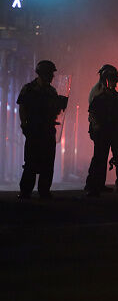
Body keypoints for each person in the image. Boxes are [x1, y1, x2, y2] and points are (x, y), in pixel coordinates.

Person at [17, 60, 68, 199]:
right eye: (50, 73)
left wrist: (61, 105)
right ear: (43, 74)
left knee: (48, 162)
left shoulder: (52, 91)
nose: (52, 76)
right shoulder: (28, 89)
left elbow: (55, 111)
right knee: (31, 162)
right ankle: (25, 191)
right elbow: (22, 108)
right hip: (34, 130)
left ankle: (44, 191)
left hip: (47, 130)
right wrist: (24, 125)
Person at [85, 68, 118, 197]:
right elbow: (92, 114)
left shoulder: (113, 97)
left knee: (115, 159)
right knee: (102, 159)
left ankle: (114, 186)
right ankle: (97, 186)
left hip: (113, 132)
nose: (113, 83)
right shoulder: (101, 97)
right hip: (105, 132)